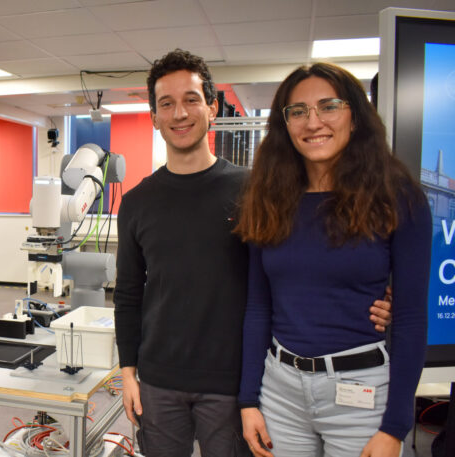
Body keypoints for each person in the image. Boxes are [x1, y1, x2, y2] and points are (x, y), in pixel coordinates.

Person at [113, 50, 394, 457]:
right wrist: (128, 374)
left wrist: (380, 297)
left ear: (212, 107)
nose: (179, 114)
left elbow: (301, 268)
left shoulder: (255, 191)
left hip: (234, 383)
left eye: (191, 99)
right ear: (154, 116)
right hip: (158, 381)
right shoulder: (137, 202)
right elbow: (128, 294)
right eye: (166, 104)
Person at [235, 62, 431, 457]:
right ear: (285, 125)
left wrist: (395, 427)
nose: (313, 122)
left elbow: (410, 317)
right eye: (298, 112)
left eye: (329, 106)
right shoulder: (268, 198)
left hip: (360, 395)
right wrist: (248, 400)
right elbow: (259, 307)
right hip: (281, 391)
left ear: (355, 117)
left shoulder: (398, 197)